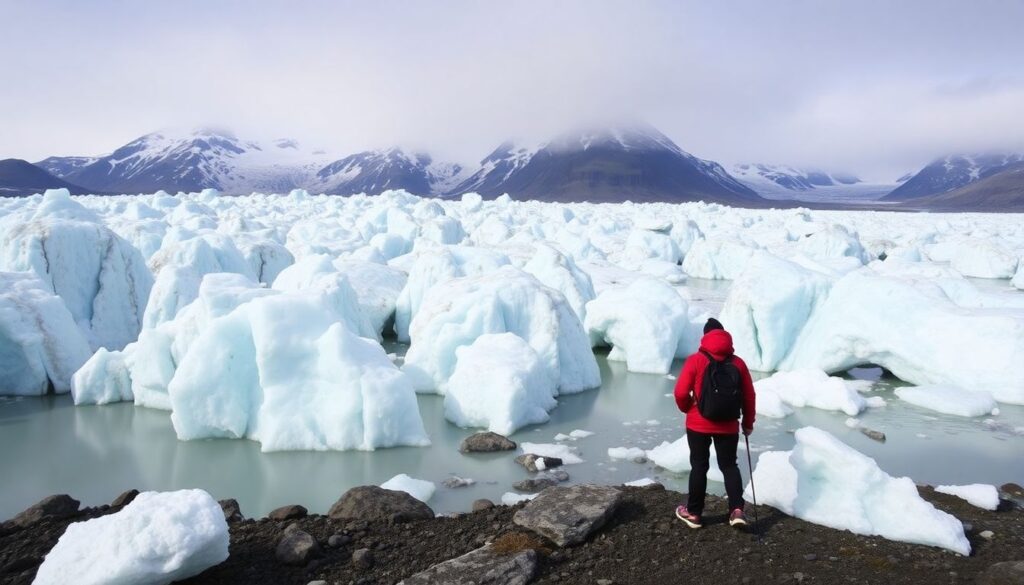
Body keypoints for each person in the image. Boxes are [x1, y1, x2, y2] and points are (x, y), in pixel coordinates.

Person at [672, 317, 756, 529]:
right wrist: (748, 422)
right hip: (728, 425)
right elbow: (749, 396)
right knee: (729, 466)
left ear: (705, 336)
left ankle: (694, 514)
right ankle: (737, 510)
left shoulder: (696, 360)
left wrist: (688, 408)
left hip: (698, 424)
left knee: (699, 466)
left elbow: (681, 392)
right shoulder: (738, 363)